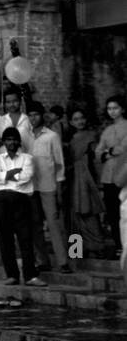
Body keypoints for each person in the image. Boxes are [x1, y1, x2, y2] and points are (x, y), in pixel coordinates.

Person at [0, 127, 44, 287]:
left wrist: (5, 175)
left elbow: (26, 176)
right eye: (8, 139)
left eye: (14, 139)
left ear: (19, 141)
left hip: (21, 200)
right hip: (1, 200)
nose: (11, 142)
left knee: (25, 238)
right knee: (5, 239)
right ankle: (12, 275)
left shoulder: (27, 158)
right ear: (4, 142)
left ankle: (30, 276)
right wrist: (13, 173)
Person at [27, 101, 70, 274]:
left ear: (42, 115)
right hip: (30, 187)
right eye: (30, 115)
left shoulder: (52, 136)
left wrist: (59, 189)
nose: (33, 118)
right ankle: (42, 260)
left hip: (49, 186)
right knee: (35, 225)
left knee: (53, 224)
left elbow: (59, 164)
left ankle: (63, 261)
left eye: (36, 114)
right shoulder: (24, 136)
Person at [67, 109, 113, 257]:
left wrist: (99, 182)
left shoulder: (92, 136)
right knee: (76, 215)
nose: (80, 121)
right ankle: (78, 250)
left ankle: (98, 247)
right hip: (73, 180)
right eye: (76, 119)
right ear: (71, 122)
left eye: (82, 118)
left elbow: (96, 160)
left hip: (87, 179)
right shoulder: (70, 140)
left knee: (89, 212)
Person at [96, 95, 127, 256]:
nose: (112, 111)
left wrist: (110, 151)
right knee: (113, 213)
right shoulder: (107, 130)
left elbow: (122, 148)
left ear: (122, 109)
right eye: (109, 108)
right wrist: (108, 152)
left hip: (123, 175)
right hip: (108, 176)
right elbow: (98, 152)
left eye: (115, 108)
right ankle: (118, 246)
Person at [0, 88, 35, 152]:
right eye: (8, 102)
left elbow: (34, 140)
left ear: (20, 101)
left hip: (24, 157)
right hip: (5, 157)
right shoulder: (1, 119)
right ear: (5, 104)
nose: (12, 104)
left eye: (15, 101)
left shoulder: (27, 119)